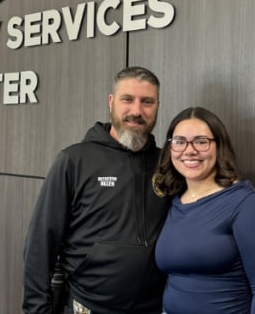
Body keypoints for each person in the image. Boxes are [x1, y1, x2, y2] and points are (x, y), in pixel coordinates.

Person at [23, 66, 171, 314]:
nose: (137, 111)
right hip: (87, 306)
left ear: (157, 106)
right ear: (111, 102)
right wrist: (35, 309)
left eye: (147, 102)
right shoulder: (74, 161)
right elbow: (40, 243)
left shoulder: (167, 165)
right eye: (127, 99)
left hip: (153, 308)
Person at [153, 107, 255, 314]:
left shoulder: (245, 203)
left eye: (201, 141)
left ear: (219, 146)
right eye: (179, 142)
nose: (189, 150)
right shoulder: (173, 200)